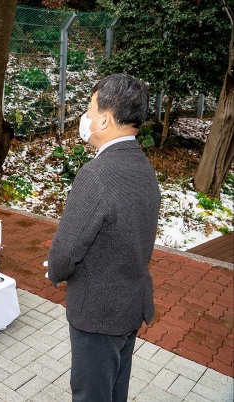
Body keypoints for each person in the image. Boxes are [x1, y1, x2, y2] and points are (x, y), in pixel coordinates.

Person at [47, 73, 160, 402]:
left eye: (89, 110)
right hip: (130, 306)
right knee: (114, 390)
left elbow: (67, 250)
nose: (85, 118)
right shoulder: (143, 167)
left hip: (98, 311)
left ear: (105, 119)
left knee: (92, 395)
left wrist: (55, 271)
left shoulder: (96, 174)